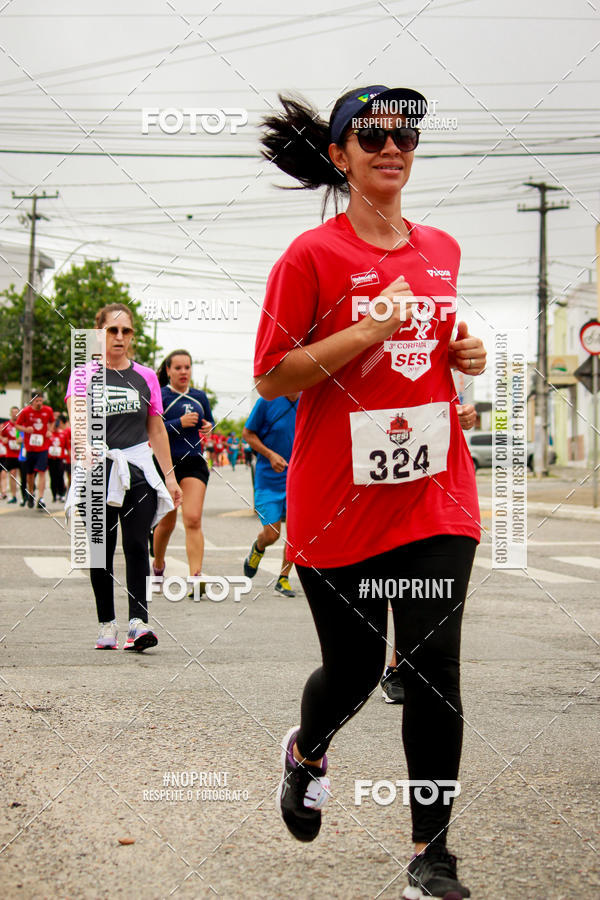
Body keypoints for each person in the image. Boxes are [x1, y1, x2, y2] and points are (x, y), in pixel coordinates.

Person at [256, 86, 487, 898]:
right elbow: (274, 376)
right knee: (351, 675)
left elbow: (430, 352)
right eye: (373, 135)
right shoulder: (310, 259)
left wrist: (462, 355)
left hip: (435, 495)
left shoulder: (443, 248)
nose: (394, 146)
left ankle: (432, 851)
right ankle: (307, 750)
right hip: (339, 503)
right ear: (340, 154)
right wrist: (365, 331)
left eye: (406, 135)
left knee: (431, 670)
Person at [65, 303, 182, 652]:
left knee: (136, 544)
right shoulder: (84, 374)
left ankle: (138, 622)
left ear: (132, 335)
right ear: (99, 332)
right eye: (111, 330)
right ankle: (107, 624)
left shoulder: (145, 377)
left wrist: (171, 478)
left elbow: (156, 429)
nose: (119, 337)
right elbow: (77, 415)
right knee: (101, 550)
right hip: (99, 466)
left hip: (137, 468)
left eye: (125, 331)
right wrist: (84, 446)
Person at [381, 402, 480, 705]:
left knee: (414, 590)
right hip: (366, 491)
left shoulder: (434, 355)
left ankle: (398, 668)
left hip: (430, 490)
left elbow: (451, 400)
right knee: (349, 672)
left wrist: (462, 414)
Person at [151, 349, 214, 592]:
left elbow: (207, 422)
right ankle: (158, 565)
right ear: (168, 371)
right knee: (167, 522)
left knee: (193, 518)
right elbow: (152, 429)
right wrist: (178, 423)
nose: (183, 372)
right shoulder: (160, 396)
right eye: (178, 368)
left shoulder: (199, 396)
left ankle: (195, 577)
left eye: (187, 367)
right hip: (167, 464)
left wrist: (208, 426)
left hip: (194, 460)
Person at [242, 394, 299, 598]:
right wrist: (270, 454)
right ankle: (258, 547)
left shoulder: (309, 401)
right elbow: (247, 434)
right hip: (268, 479)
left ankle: (283, 578)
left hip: (297, 479)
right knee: (272, 534)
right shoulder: (267, 401)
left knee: (296, 532)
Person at [16, 391, 54, 510]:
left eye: (41, 400)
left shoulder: (48, 410)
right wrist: (25, 429)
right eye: (36, 401)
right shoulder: (26, 411)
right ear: (32, 401)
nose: (39, 403)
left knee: (42, 472)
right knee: (30, 474)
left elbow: (52, 421)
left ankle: (41, 498)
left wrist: (50, 431)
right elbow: (17, 425)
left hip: (43, 447)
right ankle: (31, 493)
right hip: (30, 447)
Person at [48, 415, 67, 502]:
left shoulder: (63, 433)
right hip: (51, 458)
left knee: (60, 475)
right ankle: (54, 494)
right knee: (52, 476)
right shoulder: (49, 434)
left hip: (60, 458)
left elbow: (67, 446)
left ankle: (62, 493)